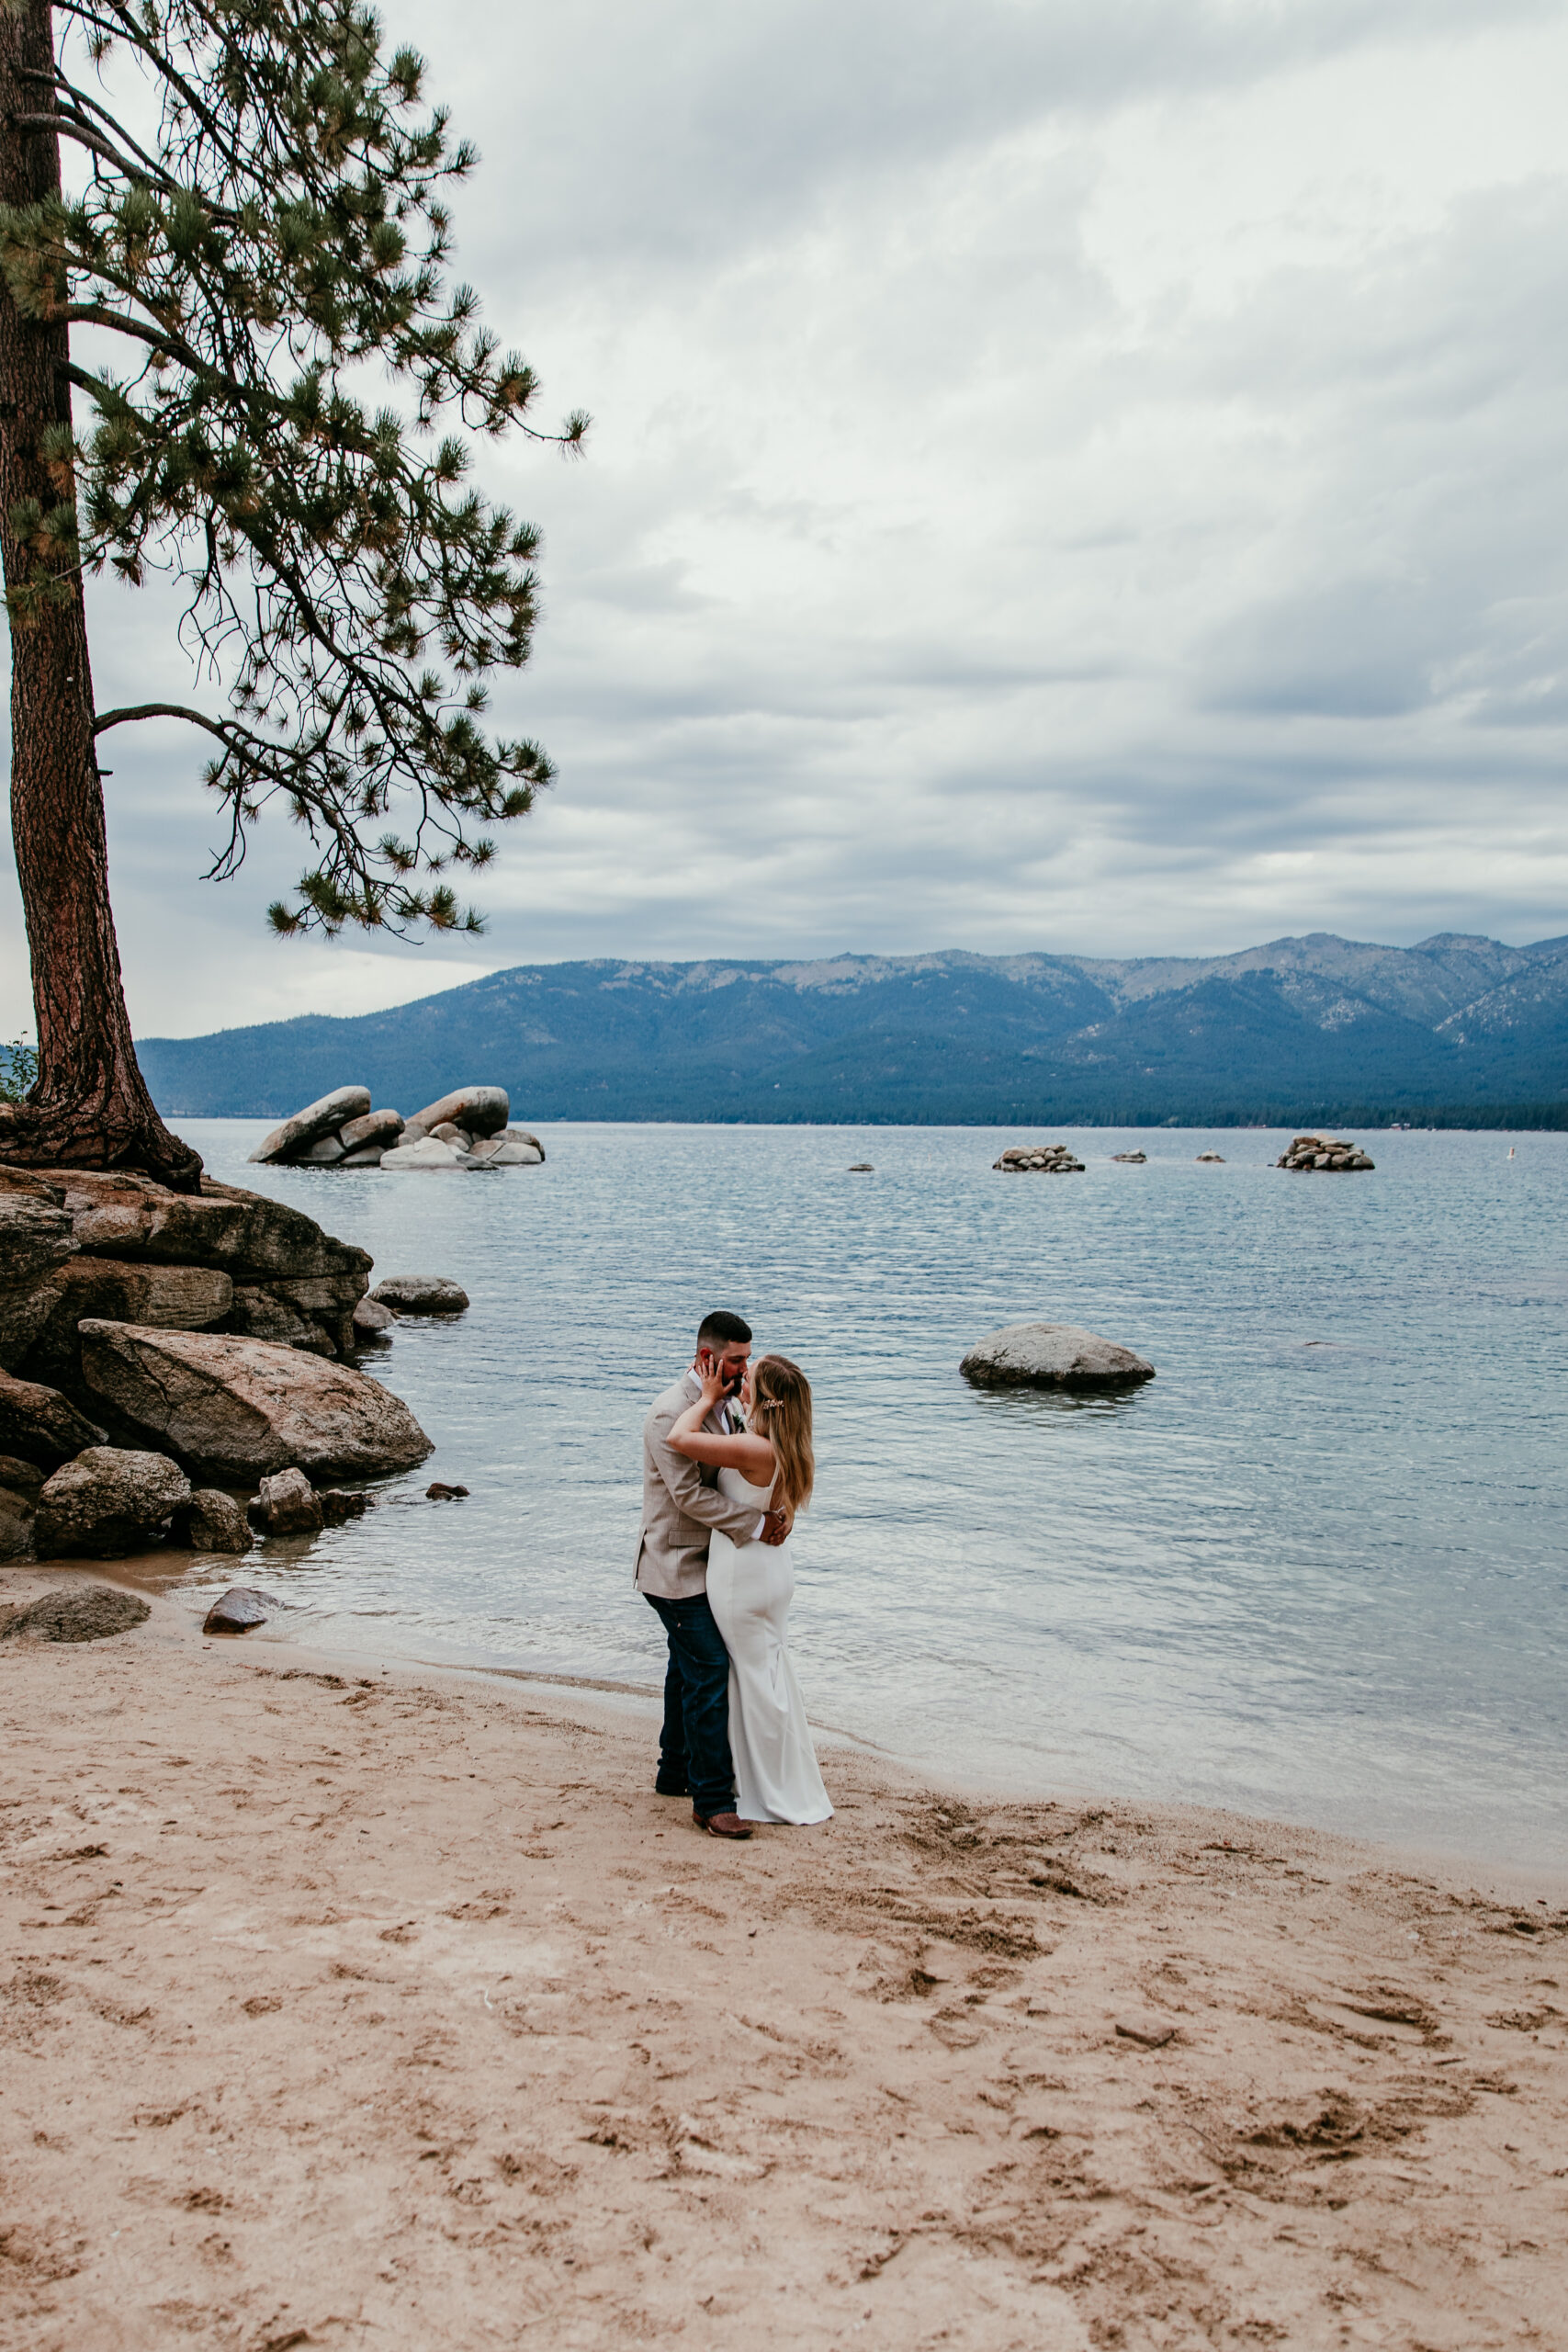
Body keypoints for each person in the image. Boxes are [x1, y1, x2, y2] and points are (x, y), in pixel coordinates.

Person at [636, 1311, 791, 1840]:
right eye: (737, 1361)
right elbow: (688, 1496)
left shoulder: (727, 1406)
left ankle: (673, 1771)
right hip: (674, 1564)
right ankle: (714, 1800)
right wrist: (756, 1524)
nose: (745, 1371)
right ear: (707, 1358)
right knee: (709, 1668)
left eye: (749, 1360)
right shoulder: (668, 1414)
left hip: (716, 1565)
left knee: (686, 1668)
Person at [667, 1351, 831, 1826]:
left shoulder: (755, 1450)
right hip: (771, 1572)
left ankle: (765, 1786)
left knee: (750, 1680)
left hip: (742, 1576)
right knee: (768, 1675)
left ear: (768, 1400)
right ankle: (770, 1775)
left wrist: (707, 1395)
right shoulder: (787, 1447)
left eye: (750, 1377)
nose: (742, 1378)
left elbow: (680, 1437)